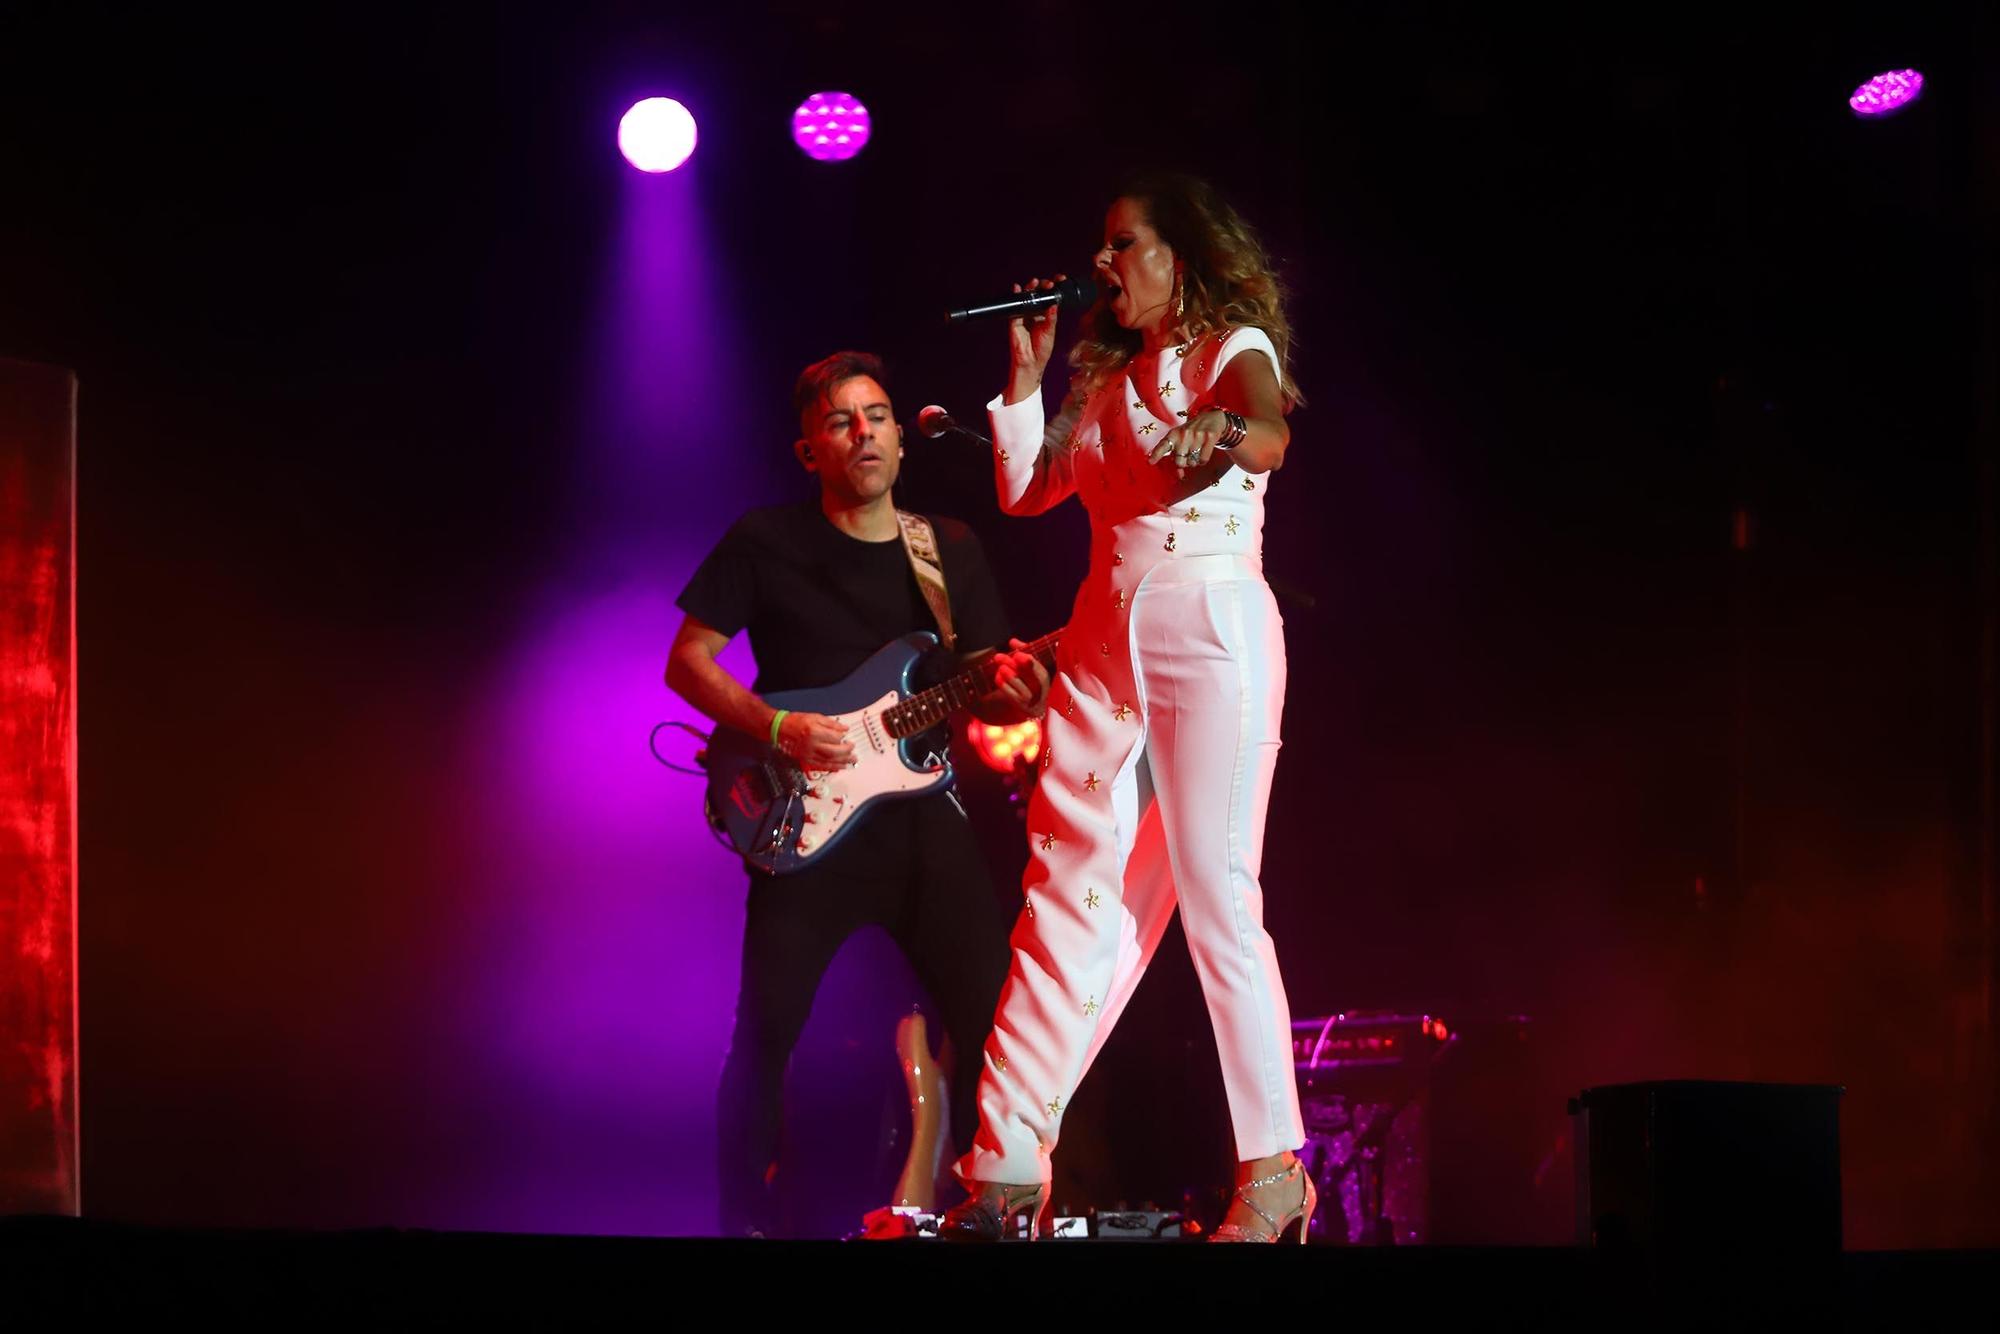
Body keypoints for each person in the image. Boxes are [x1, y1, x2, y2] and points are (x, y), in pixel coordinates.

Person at [941, 174, 1312, 1243]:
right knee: (1062, 891)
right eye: (1102, 247)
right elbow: (1027, 490)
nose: (1102, 264)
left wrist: (1227, 434)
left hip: (1207, 630)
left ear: (1178, 257)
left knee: (1214, 892)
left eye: (1122, 244)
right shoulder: (1104, 377)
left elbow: (1265, 426)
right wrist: (1022, 375)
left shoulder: (1226, 346)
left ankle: (1274, 1168)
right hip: (1101, 647)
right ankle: (1005, 1169)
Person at [667, 350, 1049, 1236]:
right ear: (811, 450)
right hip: (804, 823)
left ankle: (1009, 1206)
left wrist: (1017, 691)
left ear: (901, 441)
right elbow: (686, 660)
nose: (864, 432)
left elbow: (987, 683)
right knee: (765, 1037)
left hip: (924, 823)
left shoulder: (947, 546)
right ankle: (743, 1223)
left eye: (876, 416)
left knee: (996, 1024)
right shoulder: (766, 542)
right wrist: (773, 728)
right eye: (841, 421)